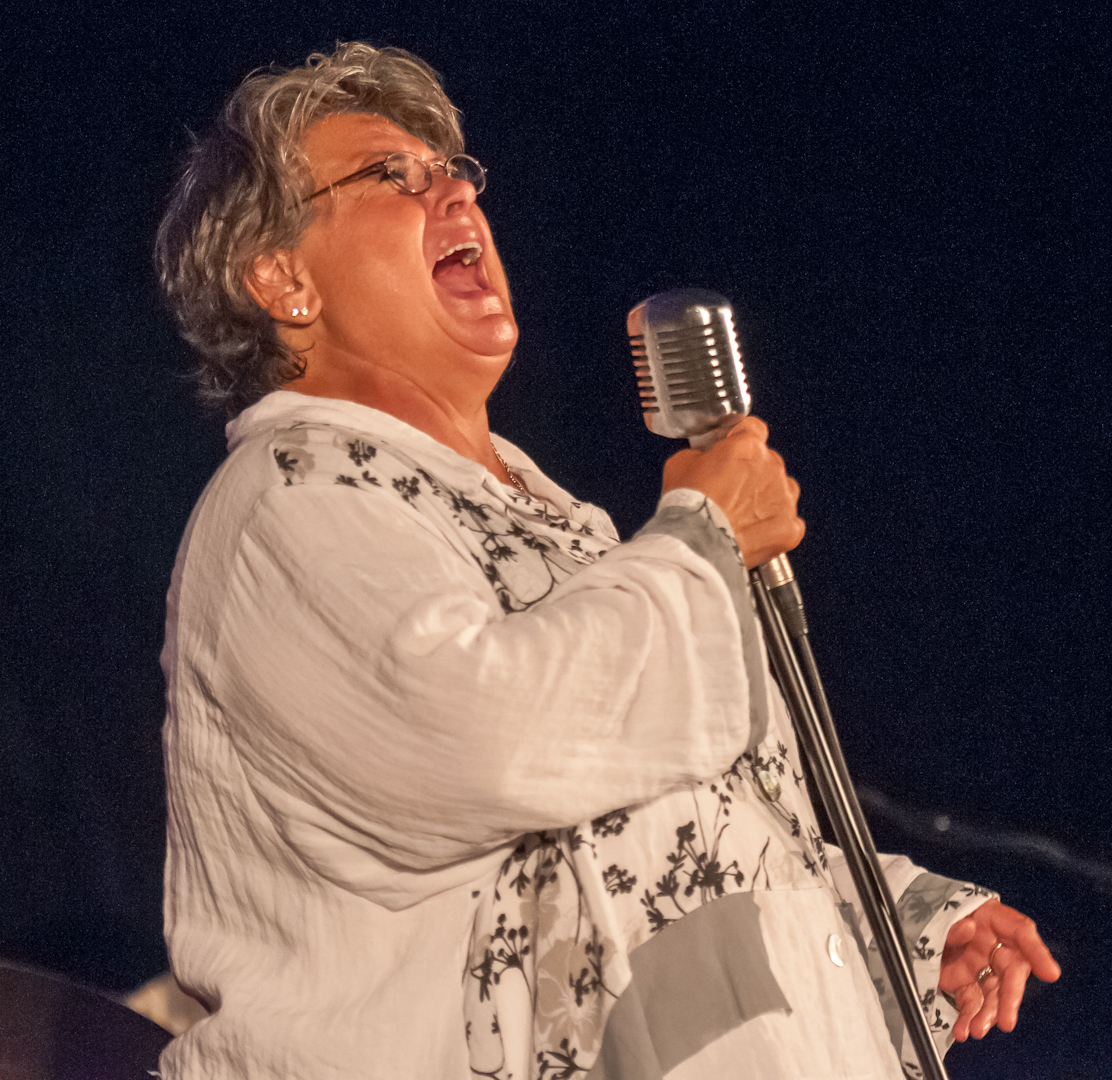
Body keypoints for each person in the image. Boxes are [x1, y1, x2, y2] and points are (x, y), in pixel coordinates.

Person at [154, 42, 1059, 1079]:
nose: (450, 188)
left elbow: (660, 827)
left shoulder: (555, 521)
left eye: (453, 170)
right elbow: (490, 740)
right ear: (281, 281)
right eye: (389, 177)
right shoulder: (288, 500)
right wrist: (697, 539)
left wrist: (885, 917)